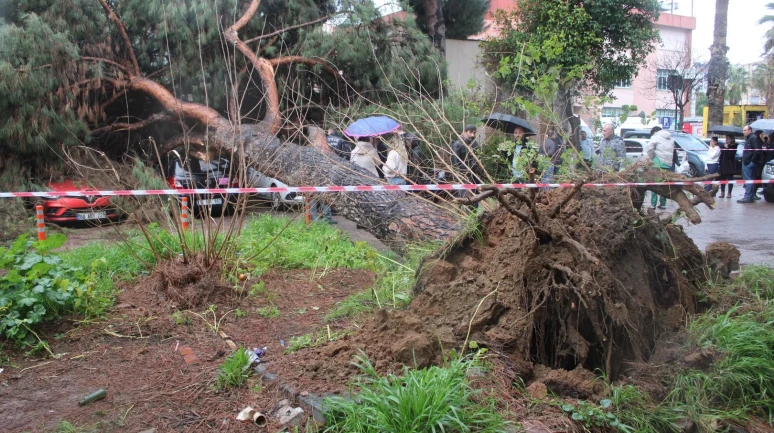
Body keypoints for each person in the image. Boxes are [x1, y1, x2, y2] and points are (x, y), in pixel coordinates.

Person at [645, 126, 676, 209]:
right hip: (668, 163)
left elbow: (649, 147)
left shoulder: (656, 136)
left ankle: (653, 204)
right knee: (664, 184)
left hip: (657, 162)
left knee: (654, 184)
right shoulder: (670, 138)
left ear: (654, 132)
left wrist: (651, 156)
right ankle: (663, 204)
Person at [738, 124, 765, 203]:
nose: (744, 132)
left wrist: (752, 161)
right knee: (751, 179)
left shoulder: (753, 138)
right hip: (749, 161)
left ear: (750, 130)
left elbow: (757, 150)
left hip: (749, 162)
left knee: (748, 179)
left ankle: (748, 196)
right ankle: (751, 196)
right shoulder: (749, 138)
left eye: (745, 130)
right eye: (743, 130)